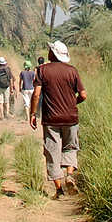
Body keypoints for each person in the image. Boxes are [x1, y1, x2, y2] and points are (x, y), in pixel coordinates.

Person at [30, 40, 86, 198]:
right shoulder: (72, 71)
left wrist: (33, 114)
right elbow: (83, 95)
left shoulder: (42, 70)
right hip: (71, 118)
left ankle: (59, 190)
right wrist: (72, 104)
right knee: (70, 147)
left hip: (51, 119)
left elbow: (36, 94)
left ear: (52, 54)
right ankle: (69, 175)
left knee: (52, 152)